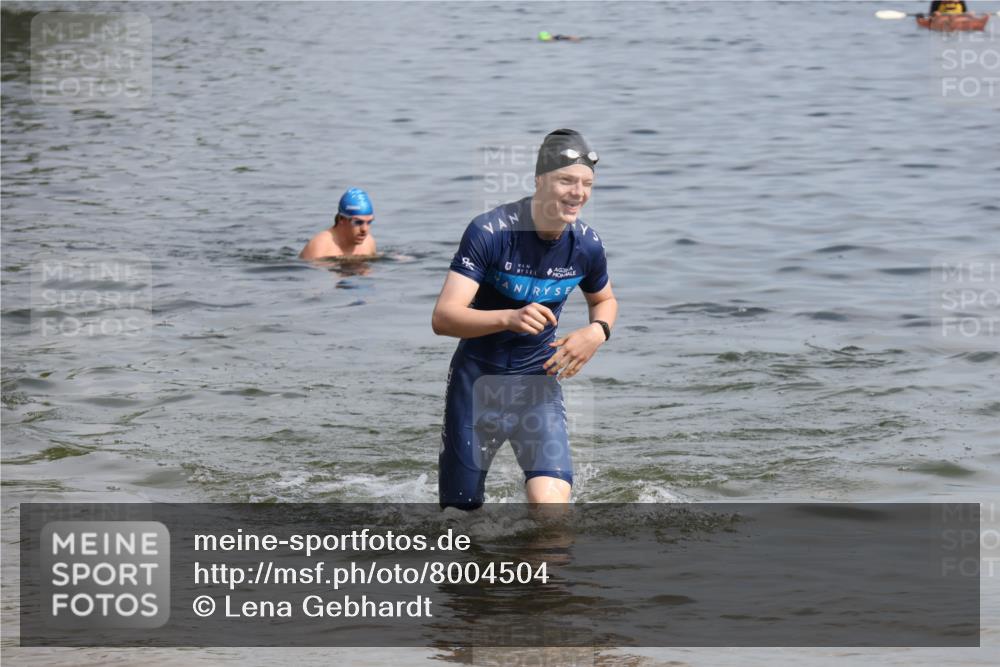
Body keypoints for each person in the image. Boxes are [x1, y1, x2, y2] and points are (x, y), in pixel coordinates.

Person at [432, 129, 618, 510]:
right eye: (566, 180)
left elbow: (605, 300)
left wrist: (597, 332)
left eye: (586, 184)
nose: (578, 192)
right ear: (539, 181)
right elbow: (444, 318)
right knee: (459, 517)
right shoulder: (490, 232)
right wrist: (508, 317)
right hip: (476, 386)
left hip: (538, 387)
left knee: (550, 511)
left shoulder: (586, 244)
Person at [299, 188, 376, 260]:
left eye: (369, 222)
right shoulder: (320, 247)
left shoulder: (368, 243)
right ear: (341, 219)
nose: (364, 229)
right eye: (357, 222)